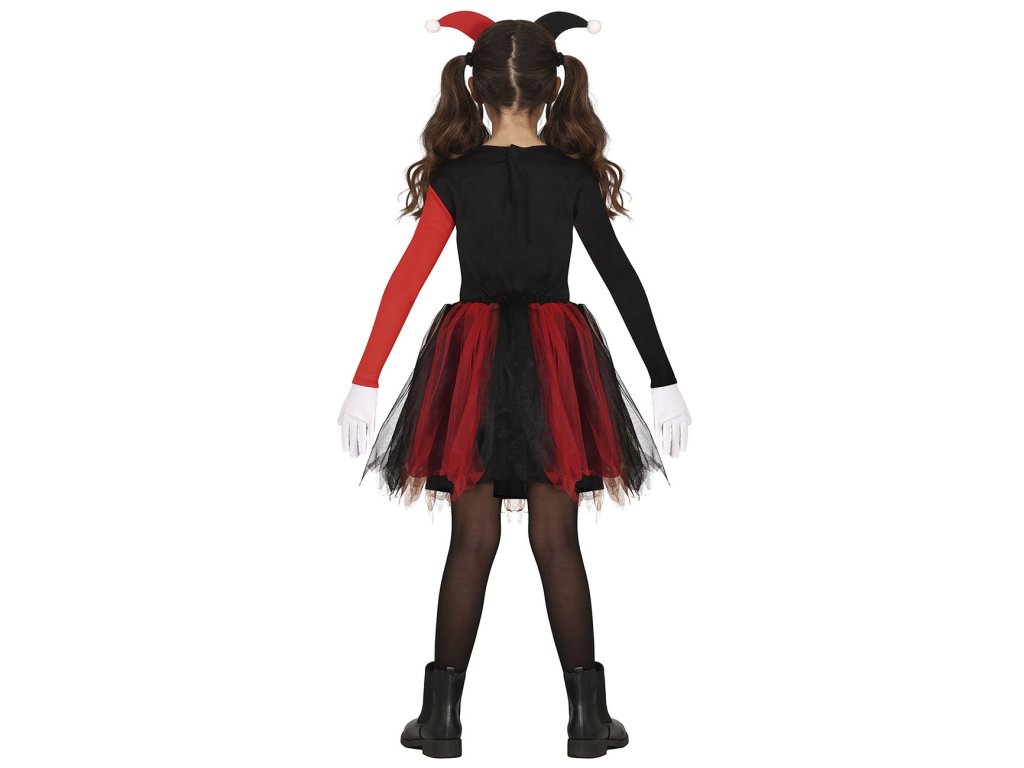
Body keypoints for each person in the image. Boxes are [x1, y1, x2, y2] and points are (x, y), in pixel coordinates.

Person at [337, 11, 692, 759]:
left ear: (475, 87)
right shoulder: (571, 176)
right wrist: (662, 379)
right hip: (558, 361)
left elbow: (406, 280)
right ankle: (588, 720)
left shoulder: (455, 177)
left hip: (468, 361)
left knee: (471, 540)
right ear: (554, 87)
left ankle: (440, 720)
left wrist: (367, 380)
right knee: (557, 539)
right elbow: (621, 278)